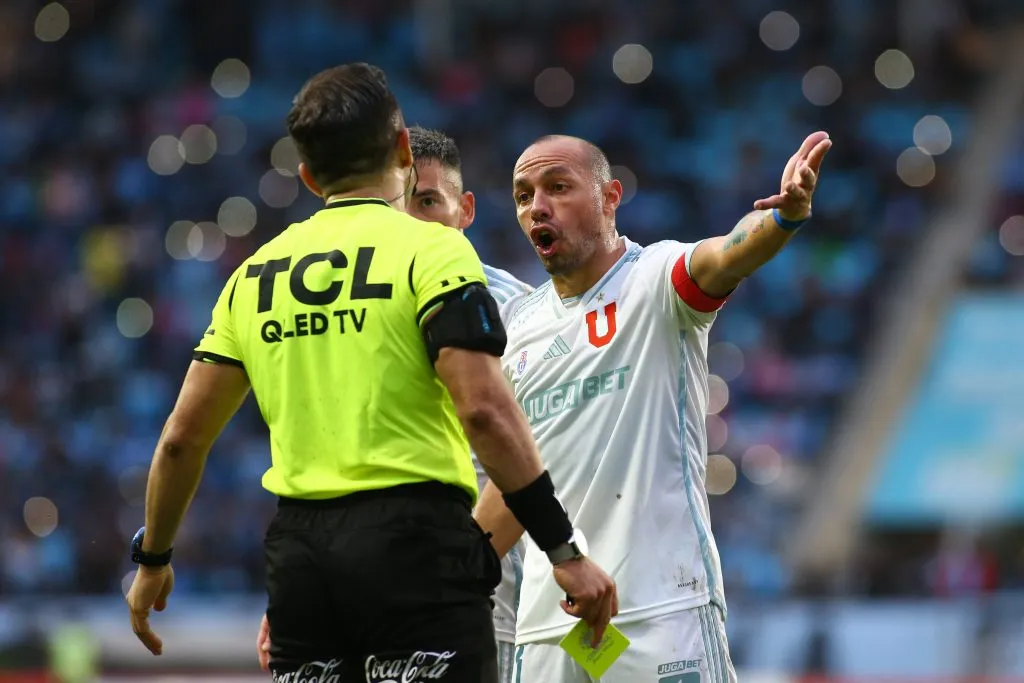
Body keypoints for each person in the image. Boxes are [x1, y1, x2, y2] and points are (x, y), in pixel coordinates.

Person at [123, 64, 617, 683]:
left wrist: (154, 560)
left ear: (307, 176)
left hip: (301, 559)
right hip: (417, 546)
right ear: (405, 151)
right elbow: (484, 410)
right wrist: (562, 550)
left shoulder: (253, 276)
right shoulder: (433, 250)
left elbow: (181, 439)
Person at [474, 132, 831, 682]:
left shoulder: (656, 278)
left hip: (662, 612)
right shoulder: (519, 327)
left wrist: (782, 220)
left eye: (558, 187)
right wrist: (448, 576)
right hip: (548, 627)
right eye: (523, 196)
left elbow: (724, 255)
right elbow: (514, 482)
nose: (536, 206)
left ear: (610, 197)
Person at [255, 126, 533, 682]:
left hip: (493, 602)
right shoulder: (363, 313)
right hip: (389, 592)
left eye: (428, 202)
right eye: (399, 203)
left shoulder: (522, 317)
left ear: (466, 210)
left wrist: (456, 571)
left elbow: (534, 458)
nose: (410, 221)